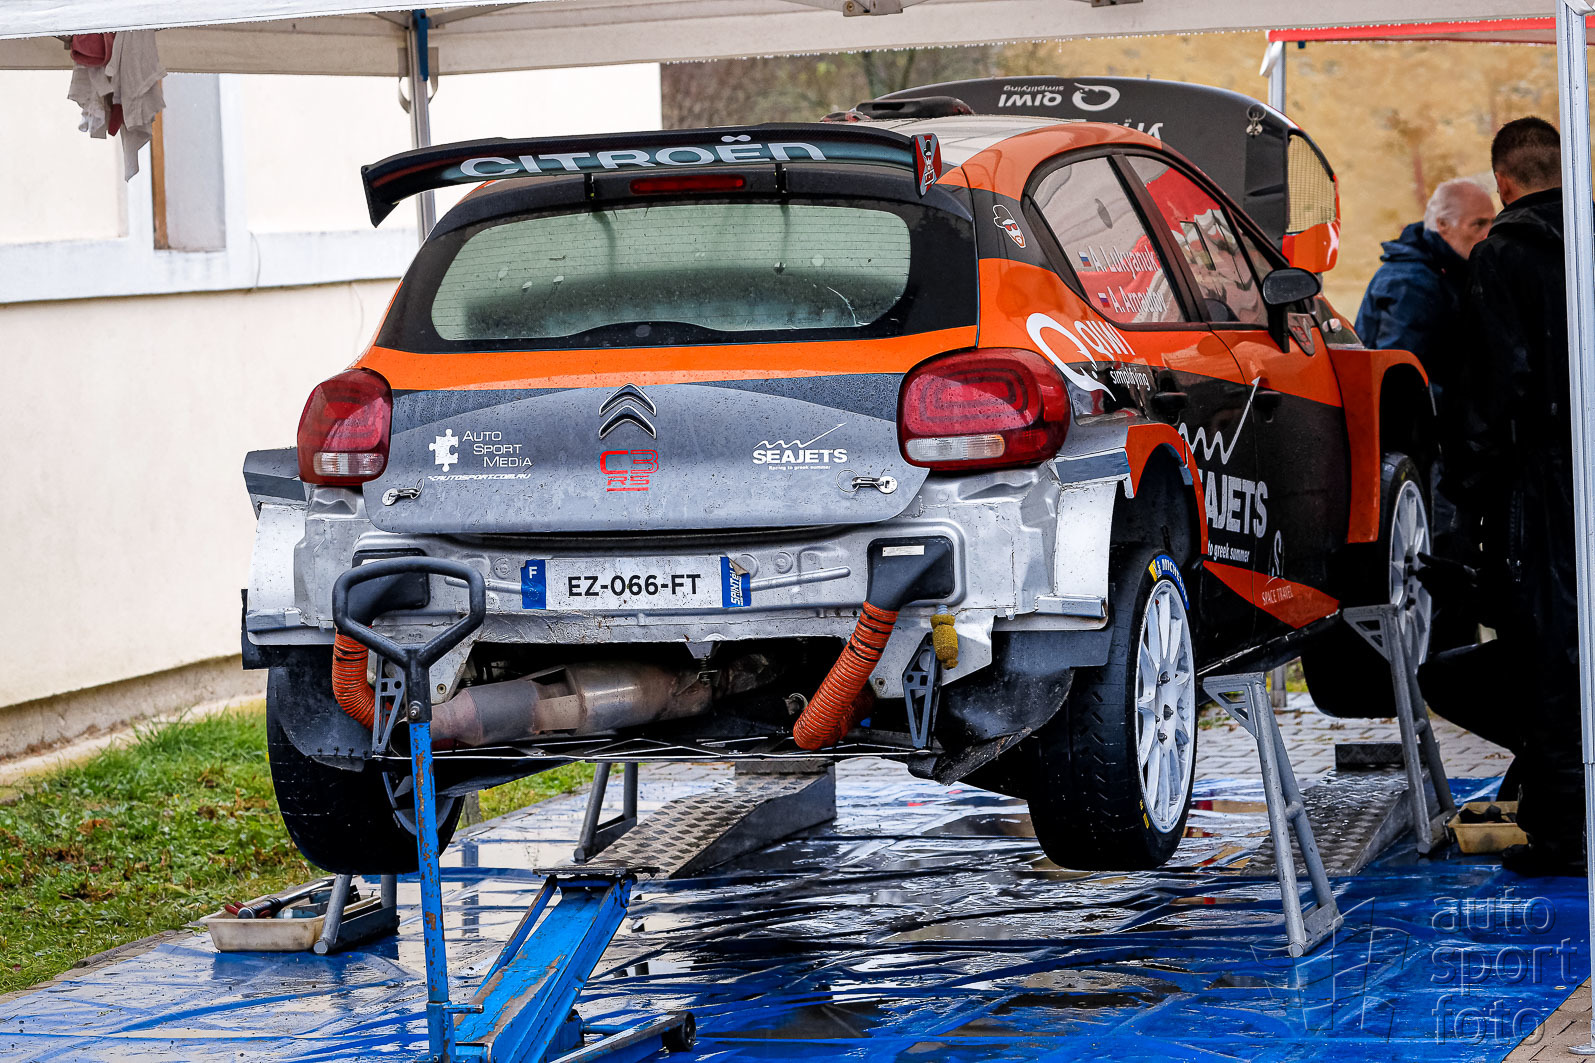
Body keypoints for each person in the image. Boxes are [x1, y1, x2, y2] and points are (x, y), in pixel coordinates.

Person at [1420, 116, 1581, 875]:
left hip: (1540, 487)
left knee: (1546, 653)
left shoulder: (1505, 254)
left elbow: (1490, 391)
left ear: (1504, 185)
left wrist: (1464, 500)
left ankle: (1567, 835)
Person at [1356, 178, 1496, 393]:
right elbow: (1399, 380)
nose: (1489, 234)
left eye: (1493, 223)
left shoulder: (1450, 268)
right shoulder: (1412, 282)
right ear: (1443, 225)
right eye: (1478, 224)